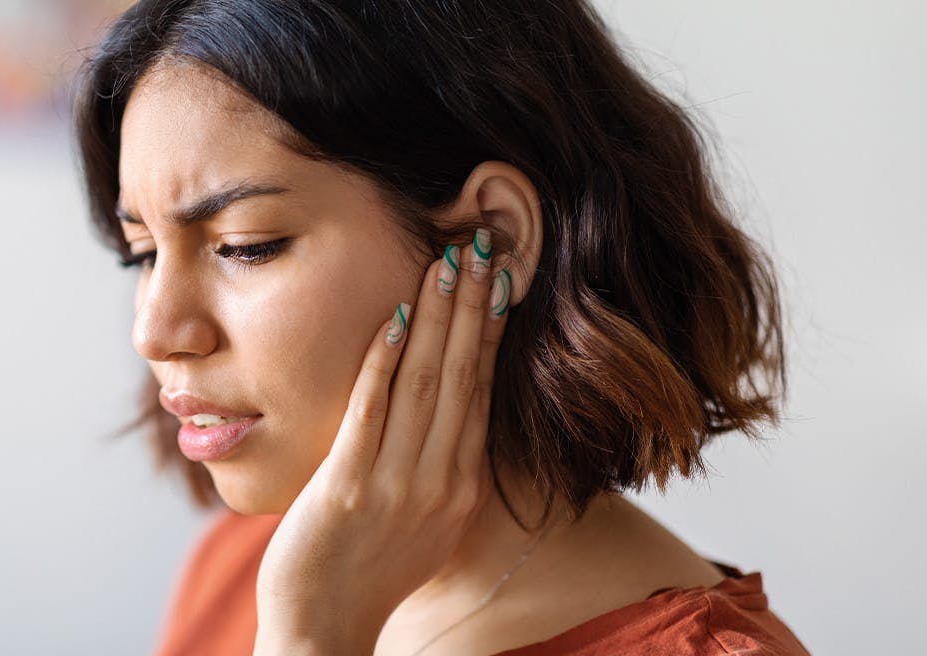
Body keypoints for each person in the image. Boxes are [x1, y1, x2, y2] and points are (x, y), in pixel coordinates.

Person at [72, 1, 809, 654]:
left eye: (244, 245)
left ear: (491, 237)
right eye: (141, 253)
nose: (155, 331)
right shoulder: (258, 567)